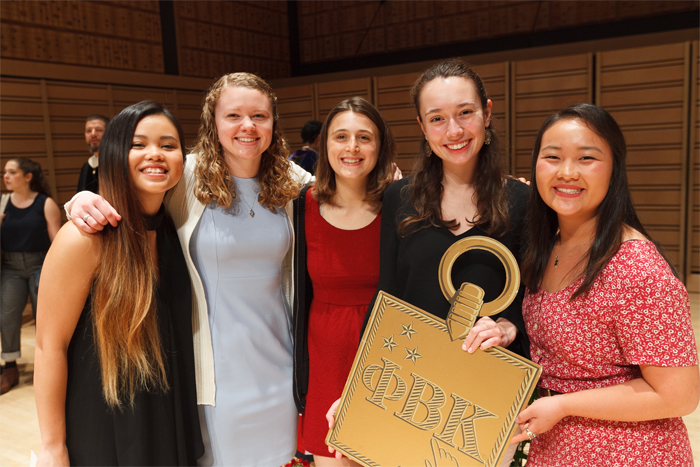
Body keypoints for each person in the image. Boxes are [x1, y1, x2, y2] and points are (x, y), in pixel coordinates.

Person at [66, 73, 314, 466]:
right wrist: (80, 199)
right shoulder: (187, 175)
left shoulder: (292, 182)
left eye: (259, 116)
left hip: (278, 368)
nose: (247, 126)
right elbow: (129, 192)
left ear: (273, 123)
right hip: (212, 373)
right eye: (233, 115)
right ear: (212, 121)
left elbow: (345, 193)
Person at [324, 60, 528, 467]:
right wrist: (358, 388)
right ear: (422, 126)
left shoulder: (523, 203)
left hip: (483, 399)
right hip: (412, 392)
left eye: (465, 113)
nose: (453, 131)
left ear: (487, 113)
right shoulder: (400, 198)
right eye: (438, 118)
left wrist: (509, 326)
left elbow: (535, 301)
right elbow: (387, 295)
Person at [510, 103, 699, 465]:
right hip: (557, 446)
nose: (566, 172)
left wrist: (564, 404)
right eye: (552, 157)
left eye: (586, 158)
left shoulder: (637, 268)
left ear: (614, 170)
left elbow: (680, 395)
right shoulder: (546, 245)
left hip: (626, 452)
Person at [34, 101, 203, 466]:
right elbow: (49, 346)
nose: (155, 154)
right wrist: (52, 448)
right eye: (138, 144)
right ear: (112, 153)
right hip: (103, 422)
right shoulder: (84, 238)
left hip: (163, 417)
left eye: (168, 145)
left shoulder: (173, 226)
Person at [292, 98, 395, 467]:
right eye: (341, 136)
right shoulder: (302, 205)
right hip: (326, 359)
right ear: (325, 145)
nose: (352, 147)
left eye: (364, 137)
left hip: (388, 358)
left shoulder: (400, 205)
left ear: (380, 146)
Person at [1, 157, 61, 395]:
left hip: (40, 264)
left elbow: (57, 240)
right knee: (7, 317)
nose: (6, 176)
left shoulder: (45, 203)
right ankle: (10, 367)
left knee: (44, 319)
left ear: (28, 177)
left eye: (12, 172)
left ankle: (45, 366)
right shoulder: (3, 202)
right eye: (5, 172)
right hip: (10, 266)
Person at [76, 114, 109, 193]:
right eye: (89, 131)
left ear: (108, 133)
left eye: (99, 130)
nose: (93, 134)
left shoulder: (116, 163)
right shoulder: (86, 166)